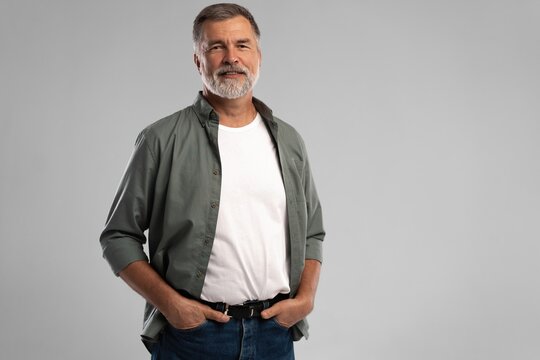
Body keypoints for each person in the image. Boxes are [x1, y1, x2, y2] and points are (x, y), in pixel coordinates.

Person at [100, 3, 325, 359]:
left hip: (274, 335)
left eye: (242, 45)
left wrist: (306, 299)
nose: (231, 57)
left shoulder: (289, 141)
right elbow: (117, 237)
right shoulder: (161, 139)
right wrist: (173, 306)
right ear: (197, 60)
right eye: (216, 47)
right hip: (193, 337)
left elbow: (312, 232)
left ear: (259, 56)